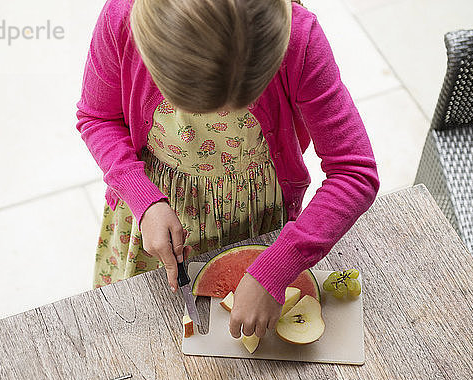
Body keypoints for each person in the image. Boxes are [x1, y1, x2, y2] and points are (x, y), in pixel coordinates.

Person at [75, 0, 379, 340]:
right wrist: (142, 198)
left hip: (255, 211)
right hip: (155, 202)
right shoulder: (121, 20)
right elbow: (97, 118)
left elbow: (354, 172)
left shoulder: (299, 38)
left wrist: (279, 266)